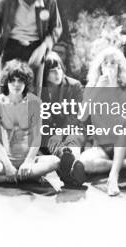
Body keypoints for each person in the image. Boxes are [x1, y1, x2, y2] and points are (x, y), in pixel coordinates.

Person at [0, 60, 60, 185]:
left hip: (28, 161)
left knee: (55, 161)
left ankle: (5, 179)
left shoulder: (34, 103)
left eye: (20, 81)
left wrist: (29, 162)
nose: (16, 84)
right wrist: (8, 167)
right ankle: (25, 176)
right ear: (6, 82)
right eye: (12, 80)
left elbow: (36, 138)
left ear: (26, 83)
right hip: (3, 161)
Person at [79, 47, 126, 196]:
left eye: (113, 63)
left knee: (125, 124)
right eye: (105, 63)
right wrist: (98, 89)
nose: (109, 67)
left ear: (120, 66)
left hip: (124, 141)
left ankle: (113, 176)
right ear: (100, 67)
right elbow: (83, 116)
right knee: (84, 163)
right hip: (102, 144)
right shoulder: (92, 86)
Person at [39, 52, 87, 186]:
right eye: (52, 71)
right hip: (50, 132)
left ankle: (70, 164)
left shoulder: (75, 85)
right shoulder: (39, 89)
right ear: (45, 73)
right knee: (53, 142)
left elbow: (75, 116)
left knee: (74, 138)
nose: (57, 73)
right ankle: (69, 168)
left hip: (72, 127)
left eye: (59, 69)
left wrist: (60, 133)